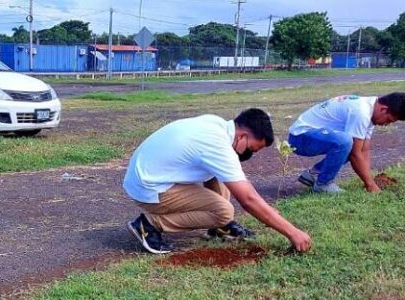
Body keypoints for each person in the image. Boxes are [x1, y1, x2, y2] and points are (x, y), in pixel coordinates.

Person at [124, 108, 312, 254]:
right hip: (148, 188)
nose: (250, 154)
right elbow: (248, 199)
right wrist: (293, 232)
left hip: (149, 175)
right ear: (242, 136)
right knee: (224, 211)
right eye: (252, 149)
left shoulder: (217, 125)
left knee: (221, 175)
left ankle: (220, 228)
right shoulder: (218, 145)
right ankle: (149, 224)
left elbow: (237, 181)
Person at [288, 92, 405, 193]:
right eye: (389, 120)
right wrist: (370, 185)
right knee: (345, 142)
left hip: (313, 136)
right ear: (383, 109)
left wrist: (369, 180)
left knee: (352, 144)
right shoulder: (362, 112)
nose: (386, 124)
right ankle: (323, 184)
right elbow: (355, 154)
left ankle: (314, 174)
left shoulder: (371, 111)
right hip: (299, 138)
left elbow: (364, 149)